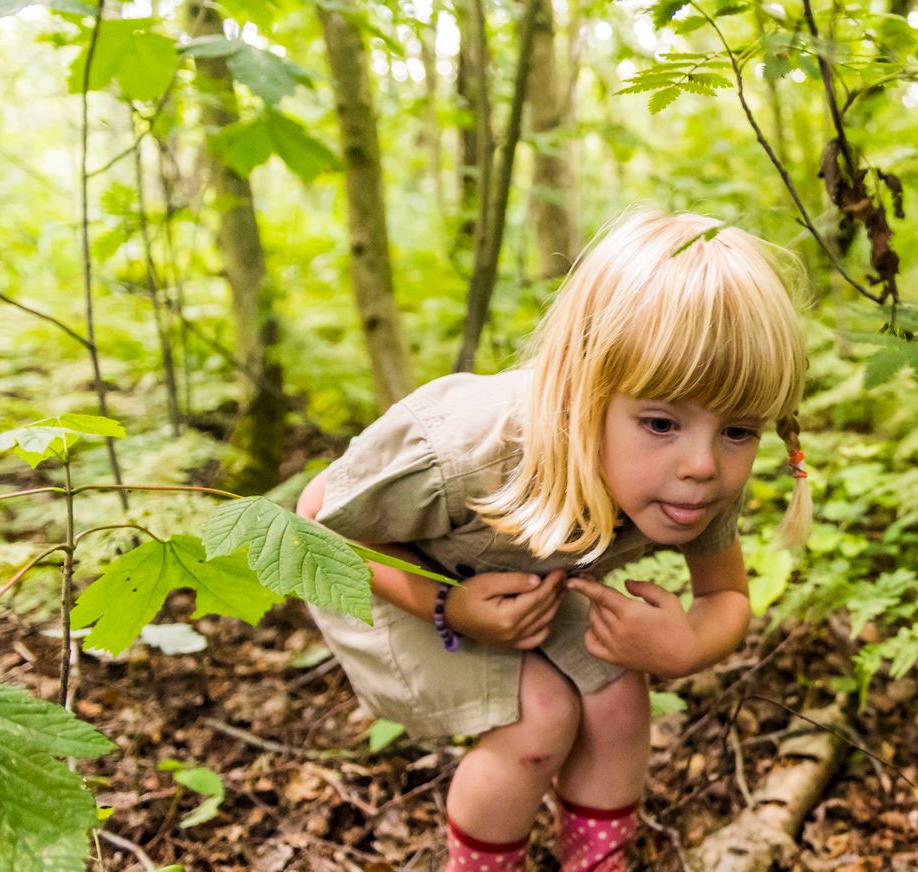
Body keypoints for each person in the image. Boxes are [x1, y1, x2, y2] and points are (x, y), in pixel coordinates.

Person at [294, 209, 810, 871]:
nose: (703, 465)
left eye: (739, 430)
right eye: (659, 422)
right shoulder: (466, 448)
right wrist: (447, 607)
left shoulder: (698, 478)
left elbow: (725, 594)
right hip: (383, 583)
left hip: (516, 590)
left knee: (620, 697)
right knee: (541, 716)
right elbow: (313, 524)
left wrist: (687, 645)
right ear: (582, 391)